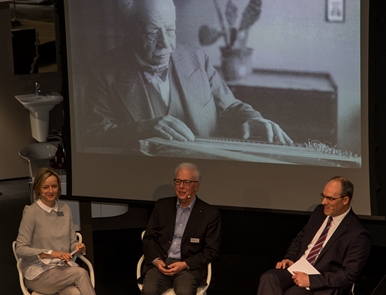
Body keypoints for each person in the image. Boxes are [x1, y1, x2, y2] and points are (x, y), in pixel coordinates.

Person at [83, 0, 292, 152]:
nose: (166, 43)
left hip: (208, 173)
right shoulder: (102, 73)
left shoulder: (198, 59)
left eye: (170, 30)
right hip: (144, 179)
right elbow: (93, 135)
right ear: (129, 31)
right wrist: (143, 129)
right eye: (153, 33)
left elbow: (230, 107)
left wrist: (253, 119)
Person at [257, 176, 371, 295]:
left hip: (322, 282)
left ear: (345, 200)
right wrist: (290, 258)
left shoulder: (358, 233)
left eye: (330, 198)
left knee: (294, 293)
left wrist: (311, 280)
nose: (323, 202)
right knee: (269, 277)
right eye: (323, 196)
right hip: (299, 268)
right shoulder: (319, 212)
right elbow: (300, 239)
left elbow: (348, 275)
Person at [139, 162, 221, 295]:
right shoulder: (162, 206)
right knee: (149, 290)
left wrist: (185, 264)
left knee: (184, 292)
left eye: (186, 182)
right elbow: (148, 238)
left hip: (188, 268)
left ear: (196, 186)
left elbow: (212, 250)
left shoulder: (209, 214)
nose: (181, 187)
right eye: (178, 181)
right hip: (161, 264)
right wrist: (157, 261)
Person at [15, 167, 96, 295]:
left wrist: (78, 247)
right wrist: (50, 253)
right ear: (38, 189)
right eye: (45, 187)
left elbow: (72, 242)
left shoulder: (65, 209)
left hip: (62, 270)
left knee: (75, 293)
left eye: (54, 186)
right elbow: (20, 249)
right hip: (39, 274)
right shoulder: (31, 212)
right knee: (81, 273)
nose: (51, 191)